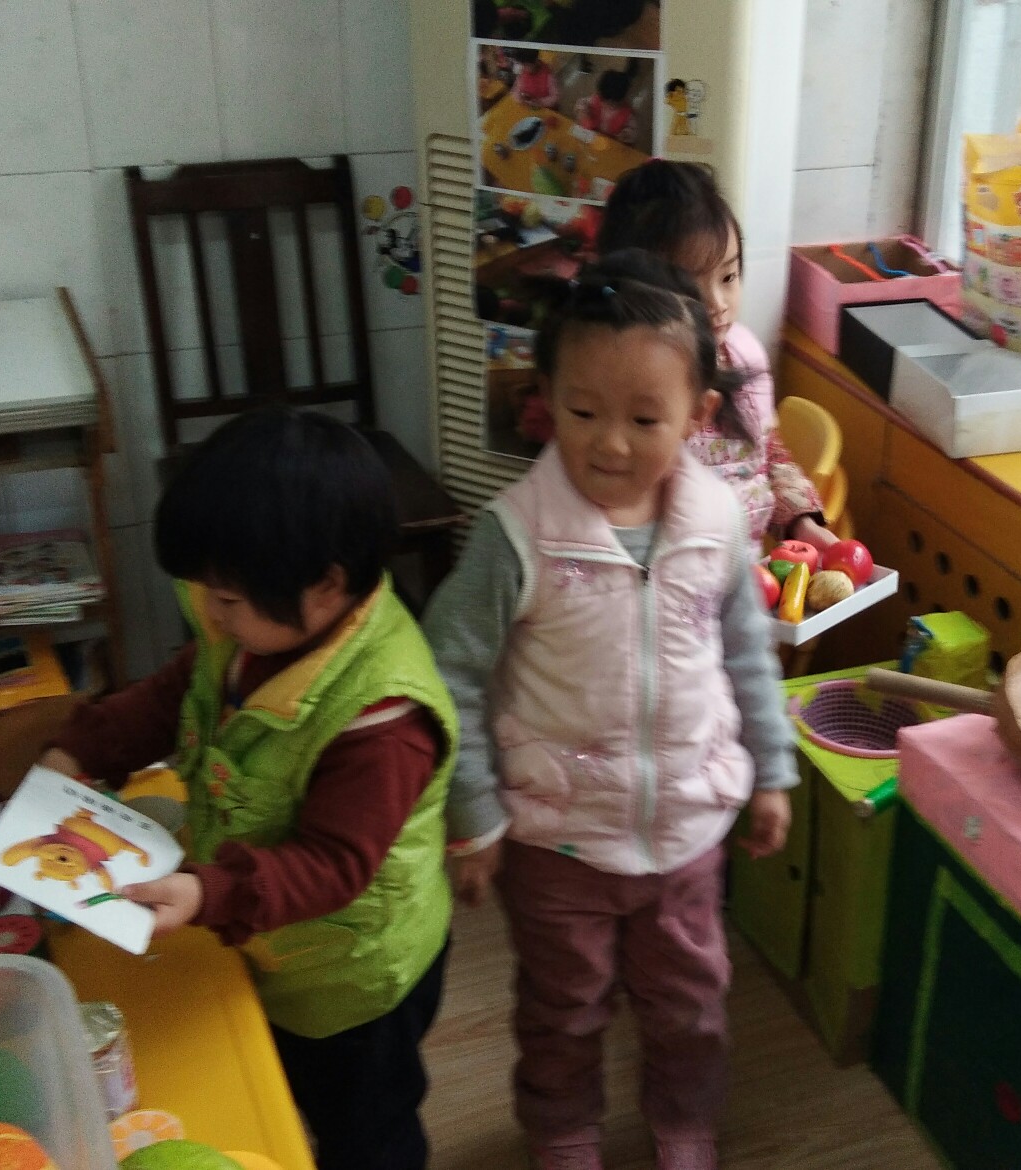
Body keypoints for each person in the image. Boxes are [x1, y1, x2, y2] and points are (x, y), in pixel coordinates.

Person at [425, 253, 799, 1170]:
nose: (611, 444)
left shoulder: (716, 520)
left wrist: (772, 770)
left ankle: (685, 1121)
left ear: (697, 416)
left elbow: (747, 653)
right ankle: (563, 1130)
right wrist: (475, 817)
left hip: (687, 831)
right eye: (583, 412)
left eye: (644, 418)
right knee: (563, 1009)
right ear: (547, 399)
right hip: (557, 844)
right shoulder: (516, 534)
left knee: (691, 1005)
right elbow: (449, 674)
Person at [39, 409, 457, 1170]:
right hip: (266, 938)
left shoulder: (384, 720)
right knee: (276, 1080)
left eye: (227, 600)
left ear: (326, 586)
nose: (209, 613)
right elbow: (179, 692)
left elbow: (332, 863)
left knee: (365, 1130)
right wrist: (83, 748)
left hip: (350, 982)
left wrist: (211, 892)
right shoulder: (254, 624)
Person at [598, 160, 836, 551]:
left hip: (749, 569)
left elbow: (767, 451)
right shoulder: (623, 384)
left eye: (728, 277)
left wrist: (801, 521)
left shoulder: (742, 353)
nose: (718, 303)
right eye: (691, 287)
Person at [573, 68, 640, 144]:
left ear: (623, 99)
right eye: (604, 100)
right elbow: (581, 103)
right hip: (592, 135)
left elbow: (633, 130)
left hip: (611, 141)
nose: (608, 105)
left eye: (613, 103)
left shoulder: (628, 114)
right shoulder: (595, 99)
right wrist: (582, 110)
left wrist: (626, 133)